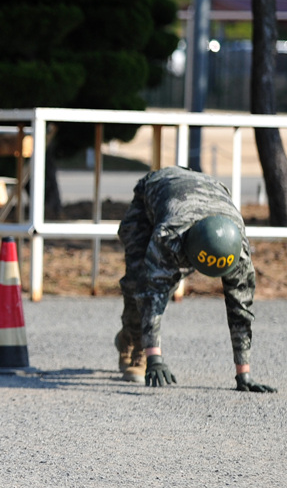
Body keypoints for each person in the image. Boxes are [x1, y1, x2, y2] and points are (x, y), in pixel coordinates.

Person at [115, 166, 276, 393]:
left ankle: (137, 337)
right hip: (154, 193)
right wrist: (155, 357)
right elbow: (151, 292)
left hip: (206, 193)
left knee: (149, 286)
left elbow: (241, 310)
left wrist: (244, 373)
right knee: (136, 280)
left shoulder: (237, 251)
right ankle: (134, 344)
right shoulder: (169, 235)